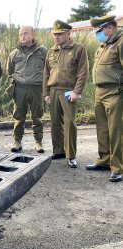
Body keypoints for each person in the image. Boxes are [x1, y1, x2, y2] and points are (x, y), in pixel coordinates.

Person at [43, 20, 89, 168]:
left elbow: (83, 72)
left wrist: (77, 91)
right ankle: (58, 151)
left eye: (60, 34)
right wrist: (46, 92)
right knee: (55, 122)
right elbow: (45, 74)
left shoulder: (78, 49)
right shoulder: (51, 51)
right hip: (54, 90)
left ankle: (71, 155)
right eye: (54, 34)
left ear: (68, 34)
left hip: (69, 91)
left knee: (69, 122)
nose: (56, 37)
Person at [86, 15, 122, 182]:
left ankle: (118, 167)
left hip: (115, 92)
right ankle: (104, 160)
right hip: (99, 91)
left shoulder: (120, 42)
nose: (97, 34)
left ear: (109, 28)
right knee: (102, 129)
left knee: (116, 131)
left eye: (99, 30)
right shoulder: (105, 44)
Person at [7, 26, 48, 153]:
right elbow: (9, 71)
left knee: (37, 117)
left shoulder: (42, 51)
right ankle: (17, 141)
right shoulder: (14, 53)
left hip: (37, 89)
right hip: (20, 89)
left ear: (33, 35)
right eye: (21, 34)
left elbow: (49, 69)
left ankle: (38, 142)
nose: (23, 36)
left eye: (26, 33)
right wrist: (15, 82)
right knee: (19, 116)